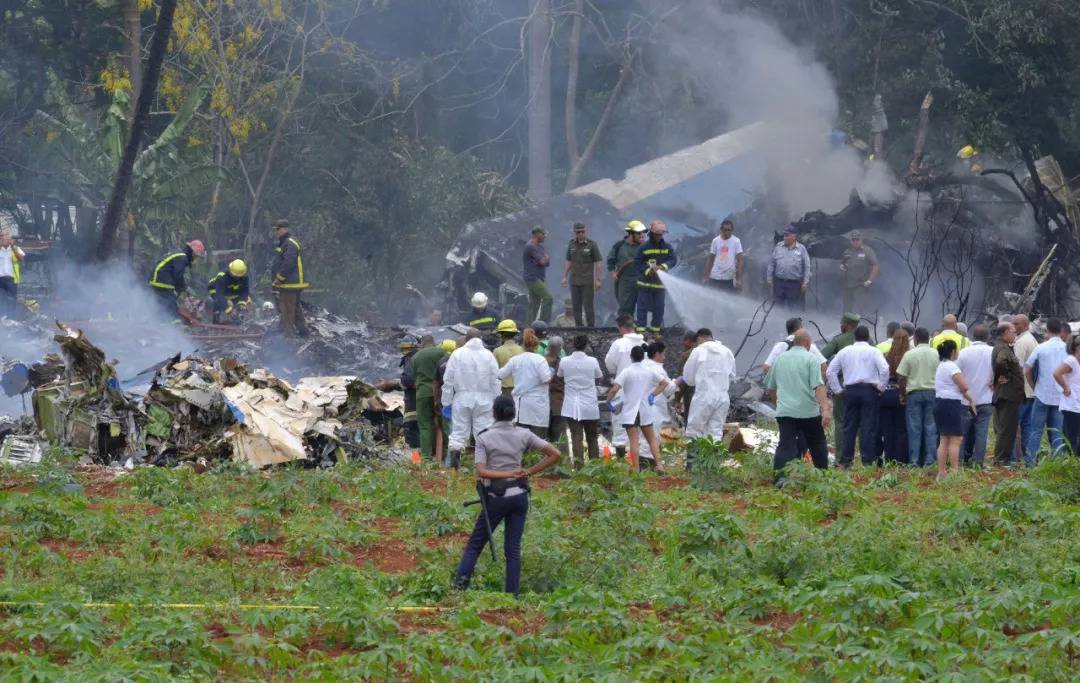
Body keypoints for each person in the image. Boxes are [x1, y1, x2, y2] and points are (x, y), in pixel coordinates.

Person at [453, 395, 560, 596]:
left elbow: (482, 471)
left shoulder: (484, 437)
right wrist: (528, 471)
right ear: (513, 413)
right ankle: (512, 596)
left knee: (475, 546)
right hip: (519, 496)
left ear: (493, 413)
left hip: (496, 498)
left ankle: (458, 591)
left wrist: (506, 474)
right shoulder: (523, 434)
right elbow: (555, 454)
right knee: (513, 551)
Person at [766, 329, 833, 473]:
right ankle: (823, 476)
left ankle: (780, 480)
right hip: (808, 412)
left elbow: (771, 387)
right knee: (817, 443)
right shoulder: (811, 359)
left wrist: (779, 404)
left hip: (785, 412)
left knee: (785, 446)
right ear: (808, 343)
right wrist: (825, 409)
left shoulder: (780, 359)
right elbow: (819, 386)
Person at [826, 325, 889, 467]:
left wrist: (838, 390)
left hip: (850, 391)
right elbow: (885, 369)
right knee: (868, 426)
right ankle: (867, 460)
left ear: (854, 337)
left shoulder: (845, 351)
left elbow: (830, 371)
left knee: (849, 426)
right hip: (869, 391)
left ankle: (846, 460)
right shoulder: (874, 351)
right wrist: (881, 387)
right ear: (868, 337)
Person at [441, 328, 501, 469]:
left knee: (458, 432)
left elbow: (448, 380)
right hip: (485, 399)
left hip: (462, 398)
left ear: (466, 339)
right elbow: (495, 380)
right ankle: (484, 467)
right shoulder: (488, 355)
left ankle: (455, 465)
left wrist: (446, 402)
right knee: (484, 431)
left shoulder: (457, 354)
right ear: (480, 339)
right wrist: (496, 399)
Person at [607, 345, 669, 472]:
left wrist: (608, 400)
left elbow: (615, 389)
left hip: (631, 412)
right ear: (643, 357)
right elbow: (664, 383)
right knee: (652, 439)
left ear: (631, 357)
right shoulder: (648, 370)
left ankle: (636, 469)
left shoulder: (627, 371)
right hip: (645, 409)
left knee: (634, 442)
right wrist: (653, 394)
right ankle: (660, 465)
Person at [680, 329, 737, 443]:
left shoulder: (698, 351)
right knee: (715, 432)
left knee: (694, 432)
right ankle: (711, 460)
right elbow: (732, 376)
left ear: (699, 339)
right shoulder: (727, 352)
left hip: (703, 397)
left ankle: (694, 460)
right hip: (722, 398)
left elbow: (688, 379)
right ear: (711, 336)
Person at [1024, 317, 1069, 461]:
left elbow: (1027, 368)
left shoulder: (1041, 347)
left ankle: (1030, 463)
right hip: (1060, 395)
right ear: (1061, 331)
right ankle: (1057, 465)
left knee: (1035, 431)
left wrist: (1033, 386)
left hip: (1041, 394)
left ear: (1047, 330)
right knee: (1057, 432)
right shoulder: (1067, 349)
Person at [604, 314, 646, 460]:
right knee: (640, 426)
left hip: (621, 390)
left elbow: (610, 364)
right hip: (642, 391)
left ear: (621, 327)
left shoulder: (619, 344)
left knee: (620, 424)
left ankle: (621, 461)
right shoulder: (645, 344)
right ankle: (639, 462)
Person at [497, 329, 552, 438]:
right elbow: (546, 379)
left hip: (521, 405)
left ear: (522, 345)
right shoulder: (540, 360)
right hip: (538, 405)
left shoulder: (515, 360)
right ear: (536, 346)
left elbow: (500, 375)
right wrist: (552, 372)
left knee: (521, 439)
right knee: (538, 440)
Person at [934, 340, 976, 479]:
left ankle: (941, 472)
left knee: (944, 439)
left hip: (940, 403)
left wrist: (970, 399)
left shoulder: (941, 366)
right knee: (955, 439)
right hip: (951, 405)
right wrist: (969, 395)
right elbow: (963, 386)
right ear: (952, 352)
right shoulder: (953, 367)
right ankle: (955, 471)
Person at [898, 327, 940, 466]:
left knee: (914, 428)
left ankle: (914, 461)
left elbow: (902, 376)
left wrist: (903, 394)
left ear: (915, 339)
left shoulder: (909, 355)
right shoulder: (936, 354)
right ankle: (930, 461)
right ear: (928, 338)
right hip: (933, 393)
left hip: (914, 394)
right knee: (931, 428)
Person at [559, 334, 602, 468]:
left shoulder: (565, 361)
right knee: (592, 437)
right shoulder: (593, 361)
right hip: (589, 405)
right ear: (586, 345)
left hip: (571, 406)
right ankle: (595, 468)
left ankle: (579, 469)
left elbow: (559, 375)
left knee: (576, 437)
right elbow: (598, 375)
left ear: (573, 344)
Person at [956, 324, 995, 467]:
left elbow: (955, 374)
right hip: (985, 399)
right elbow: (1000, 372)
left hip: (965, 400)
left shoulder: (963, 352)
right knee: (981, 433)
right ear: (988, 337)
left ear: (972, 336)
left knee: (962, 433)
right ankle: (978, 462)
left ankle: (958, 462)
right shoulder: (993, 352)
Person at [821, 312, 861, 448]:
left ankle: (841, 458)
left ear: (846, 325)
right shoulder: (869, 341)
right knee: (863, 422)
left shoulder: (839, 340)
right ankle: (866, 459)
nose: (840, 325)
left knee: (840, 422)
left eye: (841, 323)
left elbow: (821, 356)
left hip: (843, 386)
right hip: (864, 387)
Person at [377, 335, 424, 449]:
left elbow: (408, 380)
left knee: (412, 434)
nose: (405, 351)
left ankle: (416, 463)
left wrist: (392, 384)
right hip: (423, 402)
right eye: (404, 348)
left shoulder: (411, 359)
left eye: (407, 348)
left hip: (413, 403)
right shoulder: (422, 358)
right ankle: (426, 460)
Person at [634, 221, 677, 334]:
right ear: (652, 234)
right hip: (645, 285)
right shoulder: (644, 247)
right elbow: (637, 262)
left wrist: (662, 267)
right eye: (657, 234)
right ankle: (641, 332)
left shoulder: (667, 247)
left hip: (659, 285)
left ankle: (655, 332)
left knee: (659, 309)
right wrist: (648, 271)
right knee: (642, 309)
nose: (659, 237)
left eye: (661, 234)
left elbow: (673, 260)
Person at [412, 338, 452, 461]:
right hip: (440, 393)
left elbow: (414, 376)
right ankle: (447, 456)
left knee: (425, 425)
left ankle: (426, 458)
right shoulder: (441, 352)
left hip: (422, 393)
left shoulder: (415, 357)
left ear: (422, 344)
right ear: (433, 342)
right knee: (445, 425)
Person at [992, 321, 1025, 467]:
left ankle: (1002, 460)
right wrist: (1005, 375)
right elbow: (1000, 362)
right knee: (1007, 430)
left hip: (1007, 394)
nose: (1015, 334)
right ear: (1005, 333)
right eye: (1013, 331)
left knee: (1005, 429)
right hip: (1008, 394)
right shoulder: (1003, 348)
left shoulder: (1002, 346)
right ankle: (1001, 461)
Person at [270, 220, 310, 337]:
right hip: (290, 284)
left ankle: (288, 340)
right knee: (296, 309)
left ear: (284, 229)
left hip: (289, 284)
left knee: (286, 312)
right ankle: (303, 333)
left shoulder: (289, 243)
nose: (275, 232)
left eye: (277, 229)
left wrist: (279, 278)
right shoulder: (284, 243)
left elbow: (288, 263)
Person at [876, 328, 910, 464]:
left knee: (887, 429)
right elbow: (905, 377)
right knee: (901, 429)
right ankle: (900, 459)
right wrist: (903, 395)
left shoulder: (886, 356)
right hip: (900, 395)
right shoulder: (908, 356)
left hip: (885, 395)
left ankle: (889, 458)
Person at [148, 239, 206, 315]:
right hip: (161, 280)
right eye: (197, 257)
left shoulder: (180, 256)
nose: (196, 259)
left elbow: (177, 276)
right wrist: (185, 287)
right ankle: (174, 325)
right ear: (192, 253)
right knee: (171, 306)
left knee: (162, 304)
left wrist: (181, 289)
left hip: (157, 279)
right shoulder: (182, 258)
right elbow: (178, 275)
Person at [561, 222, 602, 326]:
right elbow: (568, 261)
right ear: (575, 232)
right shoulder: (571, 244)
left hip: (587, 281)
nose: (580, 234)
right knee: (576, 306)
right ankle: (578, 327)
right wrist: (564, 276)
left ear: (585, 231)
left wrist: (597, 279)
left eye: (582, 232)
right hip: (574, 280)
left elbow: (598, 262)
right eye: (578, 232)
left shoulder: (592, 244)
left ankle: (591, 328)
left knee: (588, 306)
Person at [1012, 314, 1039, 463]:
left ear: (1026, 325)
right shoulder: (1032, 339)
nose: (1014, 326)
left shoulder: (1022, 342)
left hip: (1022, 391)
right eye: (1013, 324)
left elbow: (1018, 367)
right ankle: (1029, 459)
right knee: (1027, 426)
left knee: (1016, 426)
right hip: (1030, 391)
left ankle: (1015, 459)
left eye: (1017, 324)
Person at [607, 220, 646, 317]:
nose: (642, 235)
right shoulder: (619, 246)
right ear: (631, 233)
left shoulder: (644, 247)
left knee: (643, 307)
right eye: (638, 233)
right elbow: (610, 260)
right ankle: (626, 329)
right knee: (625, 308)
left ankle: (641, 329)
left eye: (642, 233)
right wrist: (613, 273)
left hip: (641, 280)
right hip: (625, 281)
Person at [766, 224, 811, 309]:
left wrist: (805, 282)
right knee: (777, 308)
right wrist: (769, 279)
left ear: (794, 236)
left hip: (794, 285)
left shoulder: (801, 249)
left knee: (794, 309)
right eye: (784, 235)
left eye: (787, 235)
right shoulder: (778, 247)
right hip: (779, 283)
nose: (784, 238)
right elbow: (771, 264)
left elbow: (807, 267)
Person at [839, 230, 879, 315]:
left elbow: (875, 266)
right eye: (853, 240)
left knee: (863, 308)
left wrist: (870, 280)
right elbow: (843, 264)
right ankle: (847, 326)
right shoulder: (847, 251)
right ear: (850, 241)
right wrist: (842, 266)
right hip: (848, 284)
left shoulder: (867, 251)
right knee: (846, 309)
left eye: (857, 239)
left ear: (861, 240)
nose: (855, 241)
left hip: (861, 285)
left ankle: (869, 325)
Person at [1052, 337, 1080, 456]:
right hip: (1071, 406)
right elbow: (1057, 373)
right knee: (1072, 437)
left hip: (1077, 405)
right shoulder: (1071, 360)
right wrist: (1065, 388)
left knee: (1075, 436)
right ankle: (1071, 462)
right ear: (1078, 347)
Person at [702, 219, 744, 291]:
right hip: (715, 276)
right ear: (721, 229)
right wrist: (706, 276)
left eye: (729, 230)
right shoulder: (715, 241)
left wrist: (739, 279)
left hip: (729, 278)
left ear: (732, 230)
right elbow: (710, 259)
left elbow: (740, 260)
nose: (727, 232)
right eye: (725, 230)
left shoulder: (736, 241)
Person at [207, 259, 252, 324]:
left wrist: (241, 303)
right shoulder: (222, 276)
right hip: (215, 289)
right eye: (235, 276)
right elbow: (220, 295)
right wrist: (229, 310)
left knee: (248, 301)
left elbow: (245, 292)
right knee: (220, 302)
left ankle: (242, 321)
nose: (237, 278)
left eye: (239, 276)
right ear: (230, 271)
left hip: (231, 291)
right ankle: (216, 322)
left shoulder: (244, 276)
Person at [523, 227, 552, 323]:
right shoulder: (530, 246)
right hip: (532, 278)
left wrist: (543, 260)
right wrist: (544, 260)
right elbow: (543, 261)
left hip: (539, 278)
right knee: (548, 297)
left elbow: (547, 263)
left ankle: (529, 326)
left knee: (534, 303)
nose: (545, 237)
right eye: (543, 234)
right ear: (537, 234)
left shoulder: (541, 247)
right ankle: (544, 323)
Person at [544, 336, 568, 456]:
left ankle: (545, 464)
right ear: (560, 348)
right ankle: (563, 464)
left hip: (543, 402)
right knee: (561, 435)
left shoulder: (541, 362)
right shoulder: (563, 363)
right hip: (559, 403)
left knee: (544, 435)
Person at [493, 319, 523, 397]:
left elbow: (494, 373)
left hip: (504, 391)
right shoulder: (522, 350)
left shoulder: (497, 351)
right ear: (515, 334)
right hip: (520, 389)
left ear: (501, 334)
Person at [675, 330, 699, 426]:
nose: (683, 343)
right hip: (707, 394)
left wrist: (677, 399)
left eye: (684, 340)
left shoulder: (687, 355)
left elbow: (683, 379)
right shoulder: (705, 353)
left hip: (690, 394)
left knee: (690, 422)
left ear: (689, 341)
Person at [0, 230, 25, 319]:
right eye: (1, 236)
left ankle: (11, 321)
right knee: (1, 302)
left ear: (10, 238)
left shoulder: (16, 248)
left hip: (12, 280)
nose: (4, 237)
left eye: (6, 235)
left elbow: (21, 259)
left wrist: (13, 247)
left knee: (11, 302)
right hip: (0, 280)